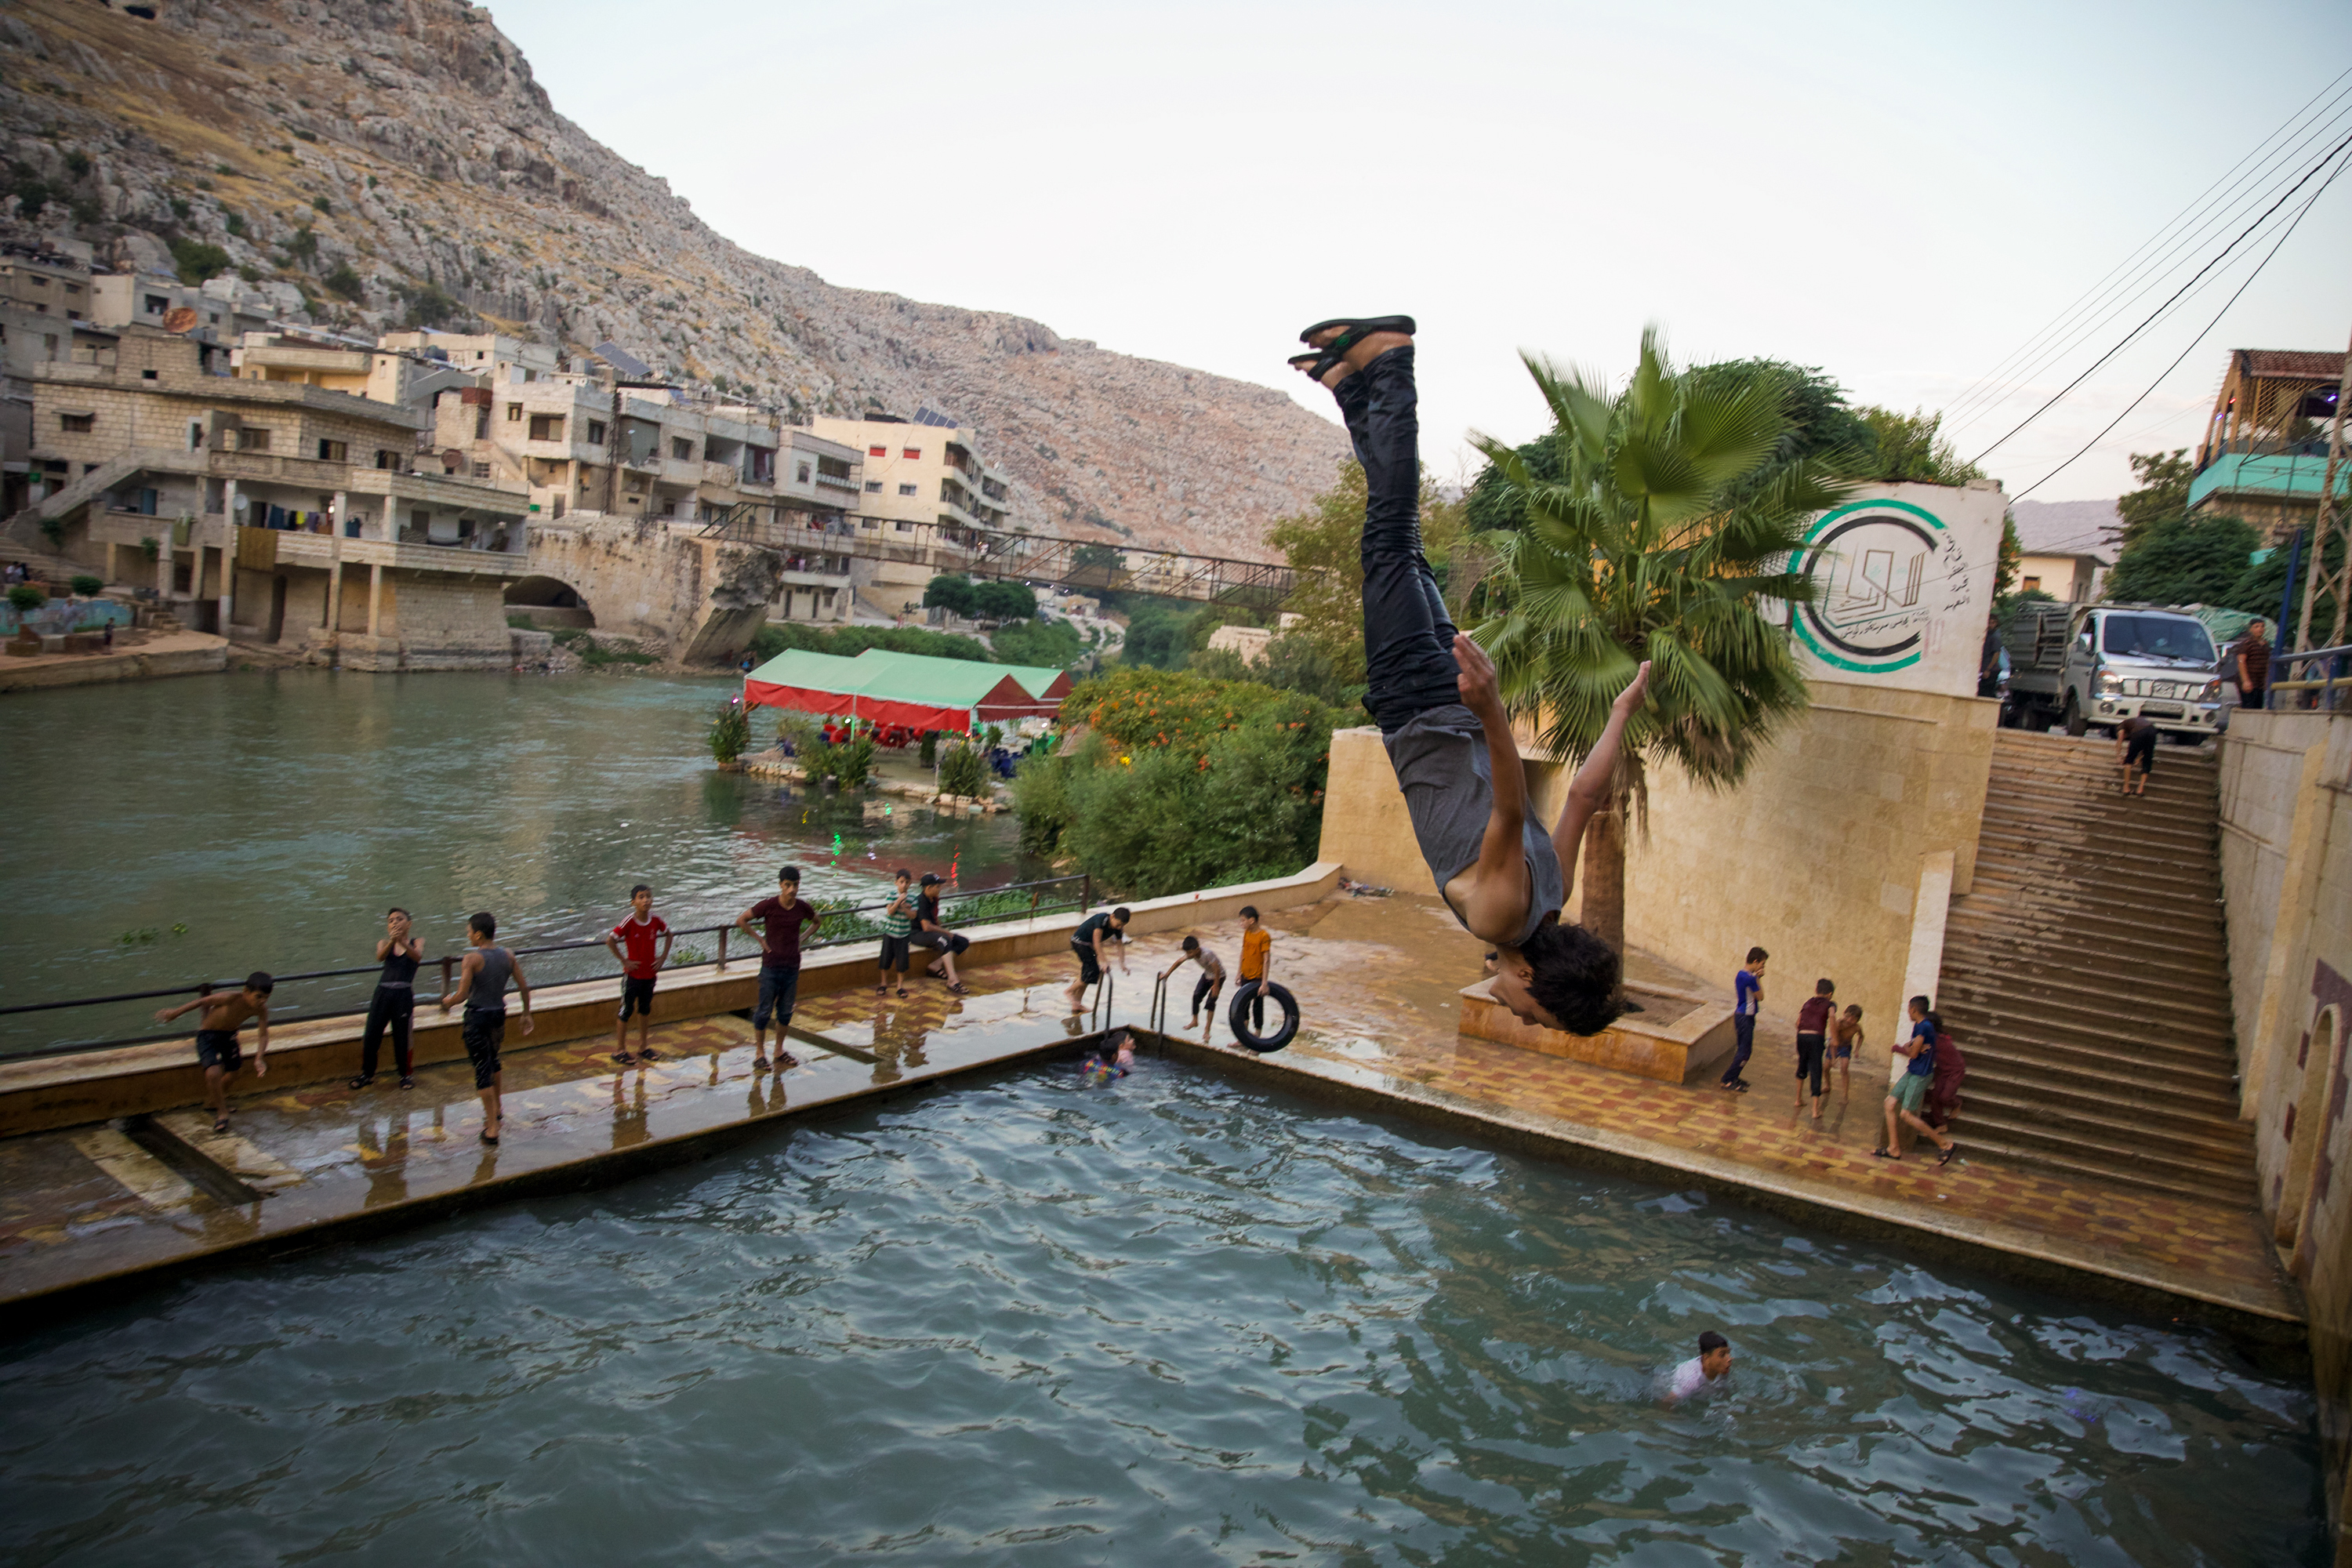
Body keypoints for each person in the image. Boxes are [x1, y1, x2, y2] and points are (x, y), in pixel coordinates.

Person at [1292, 317, 1648, 1036]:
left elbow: (1582, 794)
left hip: (1438, 699)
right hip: (1424, 704)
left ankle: (1353, 391)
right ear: (1534, 983)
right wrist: (1490, 710)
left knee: (1403, 541)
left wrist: (1619, 714)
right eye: (1538, 1018)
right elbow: (1508, 813)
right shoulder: (1499, 916)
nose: (1523, 1019)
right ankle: (1390, 365)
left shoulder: (1554, 896)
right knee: (1389, 535)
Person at [438, 911, 533, 1145]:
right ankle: (498, 1108)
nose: (468, 936)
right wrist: (526, 1013)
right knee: (494, 1060)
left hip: (477, 1018)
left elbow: (462, 995)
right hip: (498, 1016)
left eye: (469, 932)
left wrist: (447, 1002)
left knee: (482, 1069)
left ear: (478, 934)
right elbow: (524, 987)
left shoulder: (471, 959)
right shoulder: (508, 956)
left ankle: (492, 1128)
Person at [154, 972, 273, 1133]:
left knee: (234, 1073)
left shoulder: (261, 1010)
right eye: (258, 997)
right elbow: (202, 1001)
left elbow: (263, 1034)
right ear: (246, 991)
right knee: (213, 1072)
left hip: (229, 1036)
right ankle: (222, 1112)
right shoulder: (230, 998)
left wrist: (259, 1059)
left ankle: (213, 1102)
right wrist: (175, 1013)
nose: (262, 1002)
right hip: (208, 1036)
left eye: (266, 998)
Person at [736, 865, 817, 1071]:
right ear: (781, 885)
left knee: (785, 1012)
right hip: (771, 968)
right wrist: (760, 940)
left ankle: (779, 1051)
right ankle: (759, 1053)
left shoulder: (802, 907)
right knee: (764, 1011)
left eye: (795, 885)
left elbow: (816, 922)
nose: (792, 890)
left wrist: (801, 939)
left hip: (791, 967)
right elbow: (742, 920)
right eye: (788, 885)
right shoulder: (769, 905)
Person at [1878, 996, 1956, 1164]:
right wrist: (1914, 1048)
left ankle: (1945, 1144)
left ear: (1914, 1009)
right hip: (1913, 1071)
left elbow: (1912, 1052)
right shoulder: (1919, 1025)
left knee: (1906, 1114)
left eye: (1909, 1009)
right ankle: (1893, 1148)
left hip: (1920, 1075)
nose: (1908, 1012)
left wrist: (1914, 1049)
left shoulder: (1925, 1027)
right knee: (1889, 1103)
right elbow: (1910, 1047)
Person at [350, 908, 420, 1091]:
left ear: (409, 923)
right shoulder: (384, 942)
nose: (395, 923)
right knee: (372, 1034)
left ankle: (405, 1075)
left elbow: (417, 956)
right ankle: (367, 1074)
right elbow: (380, 957)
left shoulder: (416, 942)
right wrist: (392, 941)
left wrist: (402, 943)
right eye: (391, 920)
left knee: (402, 1036)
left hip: (403, 994)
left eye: (399, 919)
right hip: (382, 993)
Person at [604, 883, 672, 1067]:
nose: (646, 900)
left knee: (645, 1009)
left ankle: (643, 1047)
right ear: (633, 902)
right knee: (626, 1011)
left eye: (649, 896)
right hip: (632, 976)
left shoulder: (656, 920)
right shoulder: (629, 921)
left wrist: (663, 958)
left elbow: (669, 934)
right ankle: (620, 1050)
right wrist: (624, 961)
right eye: (641, 897)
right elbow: (610, 940)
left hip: (649, 975)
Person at [910, 872, 971, 993]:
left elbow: (935, 921)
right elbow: (926, 926)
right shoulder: (921, 901)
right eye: (937, 887)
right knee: (945, 940)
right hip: (917, 934)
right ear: (928, 888)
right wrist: (946, 932)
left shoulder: (933, 900)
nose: (940, 889)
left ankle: (935, 966)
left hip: (929, 933)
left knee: (962, 942)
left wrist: (945, 932)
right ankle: (952, 980)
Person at [1720, 947, 1767, 1092]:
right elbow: (1760, 996)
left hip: (1743, 1015)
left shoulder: (1742, 974)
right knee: (1745, 1051)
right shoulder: (1750, 978)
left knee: (1743, 1049)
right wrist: (1759, 978)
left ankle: (1734, 1077)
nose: (1763, 967)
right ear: (1755, 961)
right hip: (1745, 1017)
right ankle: (1728, 1079)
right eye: (1762, 964)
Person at [1066, 905, 1130, 1011]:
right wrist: (1104, 962)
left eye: (1122, 926)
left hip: (1089, 945)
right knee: (1092, 971)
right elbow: (1097, 943)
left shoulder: (1118, 927)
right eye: (1118, 924)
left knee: (1089, 973)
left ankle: (1076, 1004)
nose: (1119, 928)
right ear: (1112, 916)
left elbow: (1120, 945)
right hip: (1079, 942)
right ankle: (1069, 991)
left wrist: (1122, 963)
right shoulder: (1101, 920)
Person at [1160, 935, 1225, 1033]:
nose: (1189, 955)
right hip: (1207, 975)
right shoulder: (1191, 953)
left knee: (1211, 1002)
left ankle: (1207, 1029)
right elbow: (1178, 962)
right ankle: (1195, 1021)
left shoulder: (1207, 954)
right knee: (1196, 996)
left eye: (1190, 953)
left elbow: (1217, 969)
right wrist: (1167, 975)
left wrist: (1216, 986)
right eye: (1187, 953)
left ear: (1197, 949)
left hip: (1218, 977)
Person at [1795, 978, 1834, 1120]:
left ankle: (1798, 1099)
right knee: (1816, 1070)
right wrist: (1834, 1040)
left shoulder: (1808, 1003)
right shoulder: (1830, 1005)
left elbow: (1798, 1022)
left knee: (1802, 1065)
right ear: (1830, 994)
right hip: (1816, 1038)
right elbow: (1833, 1021)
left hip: (1801, 1036)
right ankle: (1815, 1110)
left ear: (1816, 991)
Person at [877, 869, 915, 997]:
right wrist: (898, 901)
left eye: (907, 882)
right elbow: (890, 911)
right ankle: (883, 983)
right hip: (890, 932)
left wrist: (904, 908)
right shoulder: (891, 895)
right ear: (896, 883)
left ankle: (900, 986)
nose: (904, 885)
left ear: (910, 884)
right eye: (902, 882)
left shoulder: (913, 898)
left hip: (904, 934)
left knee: (902, 962)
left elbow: (913, 916)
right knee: (885, 960)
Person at [1667, 1331, 1733, 1403]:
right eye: (1722, 1355)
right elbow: (1667, 1403)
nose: (1729, 1359)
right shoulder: (1690, 1381)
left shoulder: (1722, 1370)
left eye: (1728, 1353)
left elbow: (1723, 1391)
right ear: (1707, 1358)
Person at [1236, 906, 1272, 1034]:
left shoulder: (1264, 936)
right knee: (1243, 1005)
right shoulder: (1247, 933)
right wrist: (1239, 973)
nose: (1241, 924)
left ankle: (1257, 1037)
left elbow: (1266, 959)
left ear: (1252, 920)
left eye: (1243, 920)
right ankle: (1245, 1037)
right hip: (1246, 975)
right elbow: (1243, 952)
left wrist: (1264, 983)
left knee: (1257, 1007)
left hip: (1257, 977)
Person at [2115, 713, 2157, 797]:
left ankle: (2126, 788)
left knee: (2129, 760)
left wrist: (2119, 755)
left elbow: (2120, 740)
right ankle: (2140, 789)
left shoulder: (2121, 726)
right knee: (2147, 760)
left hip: (2139, 732)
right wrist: (2139, 757)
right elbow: (2144, 745)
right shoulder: (2134, 722)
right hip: (2153, 730)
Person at [2234, 619, 2271, 712]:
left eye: (2262, 626)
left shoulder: (2265, 645)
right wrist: (2245, 681)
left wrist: (2266, 680)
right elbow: (2241, 662)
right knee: (2248, 708)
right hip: (2249, 682)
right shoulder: (2246, 644)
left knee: (2257, 708)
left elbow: (2267, 663)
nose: (2260, 629)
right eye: (2257, 627)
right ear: (2250, 629)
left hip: (2260, 683)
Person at [1833, 1003, 1864, 1099]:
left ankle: (1845, 1094)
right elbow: (1833, 1033)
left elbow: (1861, 1036)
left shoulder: (1856, 1027)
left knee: (1844, 1068)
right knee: (1826, 1067)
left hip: (1845, 1047)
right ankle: (1827, 1085)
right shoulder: (1839, 1023)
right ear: (1844, 1014)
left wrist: (1857, 1050)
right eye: (1848, 1017)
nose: (1849, 1020)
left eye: (1853, 1019)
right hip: (1834, 1046)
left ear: (1857, 1020)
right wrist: (1834, 1057)